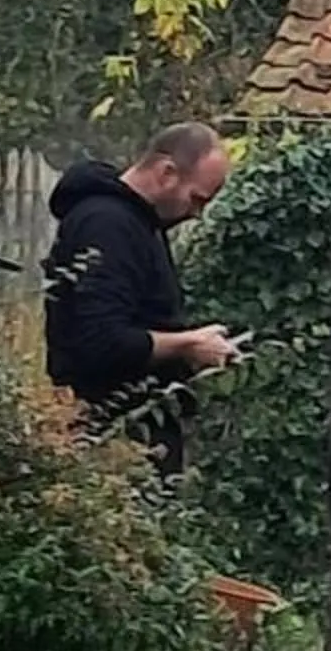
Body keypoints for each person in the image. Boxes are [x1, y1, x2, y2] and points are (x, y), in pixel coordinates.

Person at [43, 124, 239, 476]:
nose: (197, 214)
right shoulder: (108, 225)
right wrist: (188, 345)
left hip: (135, 431)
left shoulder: (140, 223)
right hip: (113, 438)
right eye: (197, 199)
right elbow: (100, 341)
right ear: (167, 173)